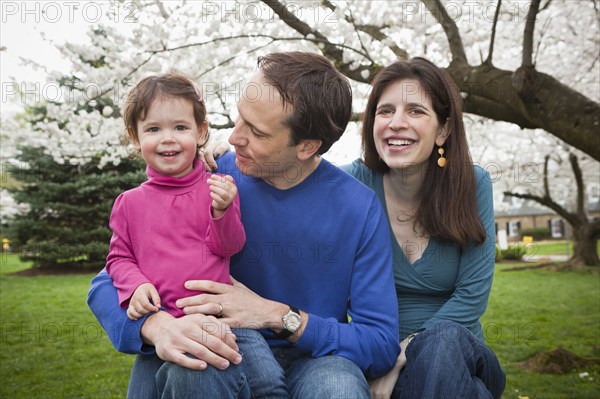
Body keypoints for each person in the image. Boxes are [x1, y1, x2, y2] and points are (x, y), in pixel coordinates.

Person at [88, 52, 400, 398]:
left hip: (314, 358)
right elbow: (107, 283)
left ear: (307, 147)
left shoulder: (358, 207)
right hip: (224, 344)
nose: (234, 138)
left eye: (256, 132)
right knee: (195, 364)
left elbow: (380, 343)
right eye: (239, 119)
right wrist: (155, 325)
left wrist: (276, 315)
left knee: (339, 388)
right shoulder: (213, 175)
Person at [104, 72, 287, 398]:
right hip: (162, 322)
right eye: (153, 129)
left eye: (180, 127)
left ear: (201, 132)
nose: (168, 138)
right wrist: (135, 285)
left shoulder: (217, 189)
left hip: (222, 319)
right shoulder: (129, 203)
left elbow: (229, 246)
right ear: (136, 137)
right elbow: (119, 257)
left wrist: (221, 211)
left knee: (269, 385)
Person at [344, 58, 506, 398]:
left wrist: (403, 354)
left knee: (442, 341)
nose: (396, 124)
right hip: (378, 357)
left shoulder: (473, 184)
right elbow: (293, 172)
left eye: (415, 111)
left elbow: (472, 297)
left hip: (460, 350)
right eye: (385, 111)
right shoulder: (351, 184)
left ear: (443, 130)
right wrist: (221, 156)